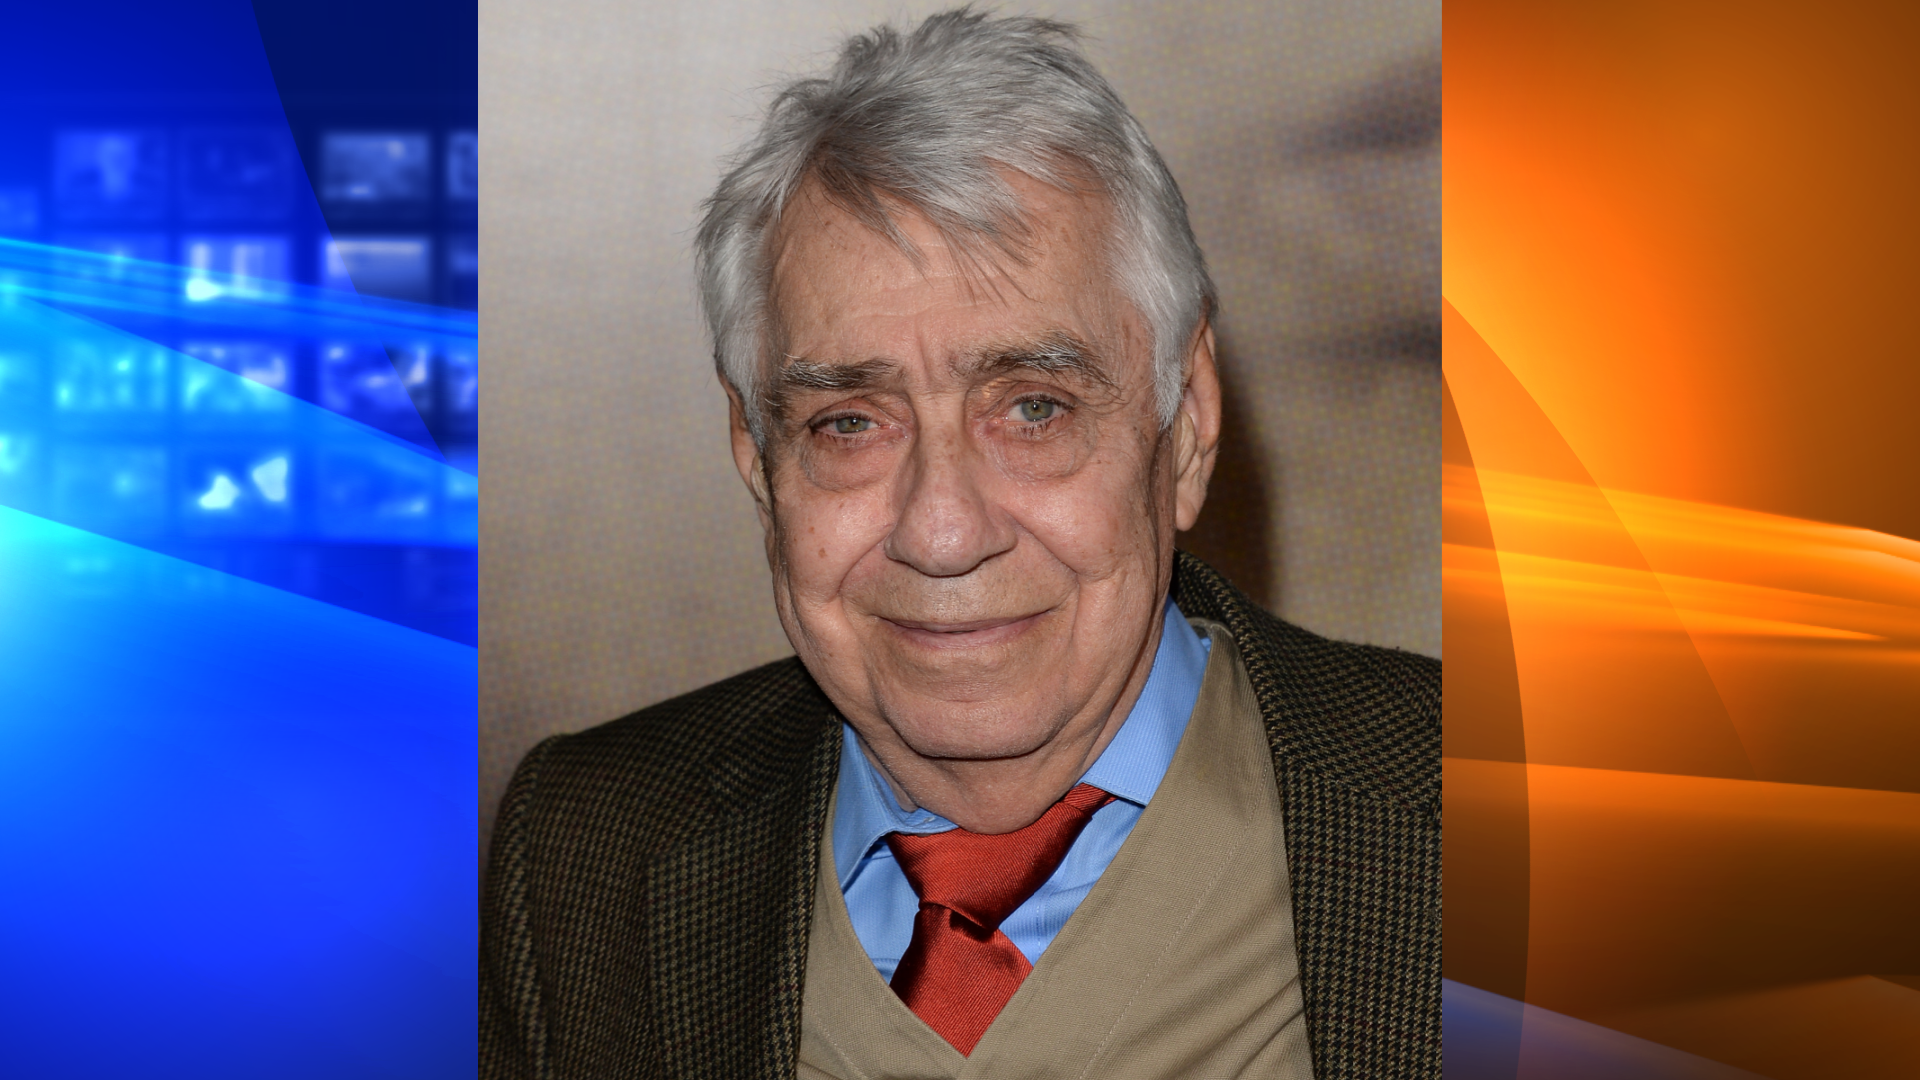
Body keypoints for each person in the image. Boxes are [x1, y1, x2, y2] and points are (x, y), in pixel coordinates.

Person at [480, 9, 1438, 1078]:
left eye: (1035, 409)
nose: (942, 533)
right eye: (850, 423)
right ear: (756, 455)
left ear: (1187, 424)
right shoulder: (585, 857)